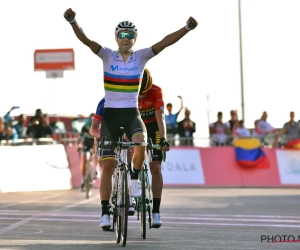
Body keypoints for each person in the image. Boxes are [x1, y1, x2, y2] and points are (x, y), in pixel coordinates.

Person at [63, 8, 198, 229]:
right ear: (116, 38)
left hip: (132, 115)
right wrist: (73, 21)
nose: (125, 38)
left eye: (129, 35)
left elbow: (165, 42)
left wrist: (187, 28)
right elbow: (86, 40)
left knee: (141, 146)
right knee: (108, 167)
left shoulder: (141, 56)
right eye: (121, 35)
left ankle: (134, 179)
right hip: (111, 117)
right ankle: (105, 212)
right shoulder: (107, 54)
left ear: (135, 39)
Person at [91, 69, 170, 228]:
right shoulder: (121, 95)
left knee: (156, 167)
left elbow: (160, 117)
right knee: (124, 153)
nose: (141, 98)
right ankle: (126, 195)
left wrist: (162, 139)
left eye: (144, 94)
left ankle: (155, 211)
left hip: (151, 126)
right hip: (130, 126)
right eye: (138, 94)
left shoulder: (156, 91)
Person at [77, 113, 98, 191]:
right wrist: (79, 145)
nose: (90, 129)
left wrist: (95, 147)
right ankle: (83, 180)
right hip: (87, 142)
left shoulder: (97, 126)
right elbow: (79, 139)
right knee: (84, 159)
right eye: (89, 127)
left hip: (94, 141)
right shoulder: (84, 128)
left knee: (96, 152)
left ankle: (96, 169)